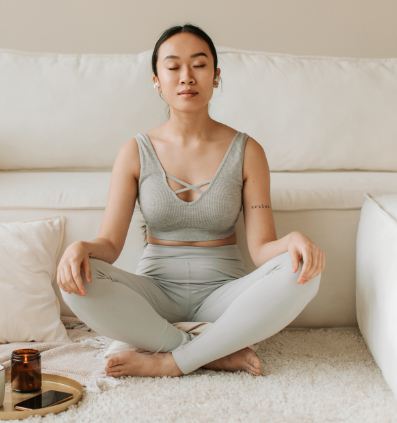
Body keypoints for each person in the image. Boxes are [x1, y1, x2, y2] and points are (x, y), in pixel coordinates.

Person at [57, 23, 325, 378]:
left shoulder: (247, 150)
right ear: (157, 80)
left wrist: (292, 242)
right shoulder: (134, 152)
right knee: (74, 281)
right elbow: (109, 244)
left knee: (305, 273)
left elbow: (261, 249)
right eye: (173, 67)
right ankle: (209, 352)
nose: (187, 77)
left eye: (199, 65)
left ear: (215, 77)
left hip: (223, 299)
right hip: (154, 298)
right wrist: (81, 247)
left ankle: (171, 360)